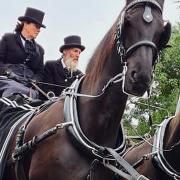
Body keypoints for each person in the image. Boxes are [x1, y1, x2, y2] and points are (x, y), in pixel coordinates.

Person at [0, 7, 46, 99]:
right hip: (7, 80)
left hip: (28, 85)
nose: (39, 30)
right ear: (25, 24)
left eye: (40, 28)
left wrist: (35, 80)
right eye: (36, 26)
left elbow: (40, 72)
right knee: (13, 89)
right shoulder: (8, 39)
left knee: (35, 96)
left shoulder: (40, 50)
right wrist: (8, 72)